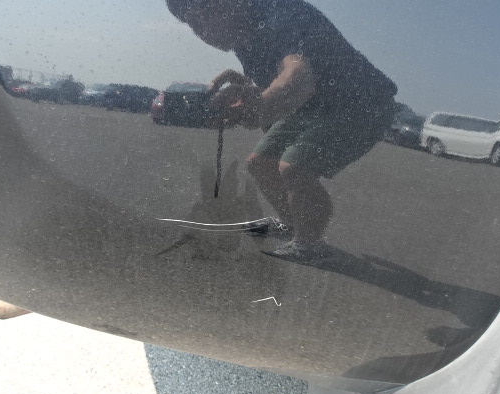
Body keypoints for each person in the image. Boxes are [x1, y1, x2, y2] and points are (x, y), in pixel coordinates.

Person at [166, 0, 397, 261]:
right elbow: (278, 89)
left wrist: (257, 108)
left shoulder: (279, 12)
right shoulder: (245, 38)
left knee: (295, 169)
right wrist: (249, 99)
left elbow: (298, 76)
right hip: (314, 105)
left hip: (363, 104)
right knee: (261, 163)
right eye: (192, 24)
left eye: (203, 16)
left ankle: (310, 245)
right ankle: (291, 222)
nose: (202, 32)